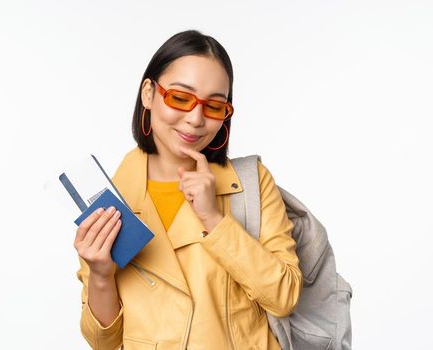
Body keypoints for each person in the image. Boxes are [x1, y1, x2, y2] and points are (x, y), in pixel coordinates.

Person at [73, 30, 302, 350]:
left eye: (215, 106)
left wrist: (214, 219)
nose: (196, 119)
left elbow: (284, 296)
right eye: (180, 98)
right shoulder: (111, 196)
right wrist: (100, 275)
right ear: (149, 94)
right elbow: (103, 343)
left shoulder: (249, 182)